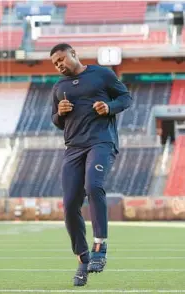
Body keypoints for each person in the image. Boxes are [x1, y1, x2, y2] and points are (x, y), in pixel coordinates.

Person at [50, 43, 132, 286]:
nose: (59, 65)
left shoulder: (102, 74)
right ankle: (83, 259)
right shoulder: (58, 88)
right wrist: (60, 114)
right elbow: (55, 121)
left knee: (93, 186)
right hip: (73, 148)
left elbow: (126, 97)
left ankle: (100, 245)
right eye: (55, 64)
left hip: (101, 143)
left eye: (62, 59)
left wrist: (109, 107)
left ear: (73, 54)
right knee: (69, 206)